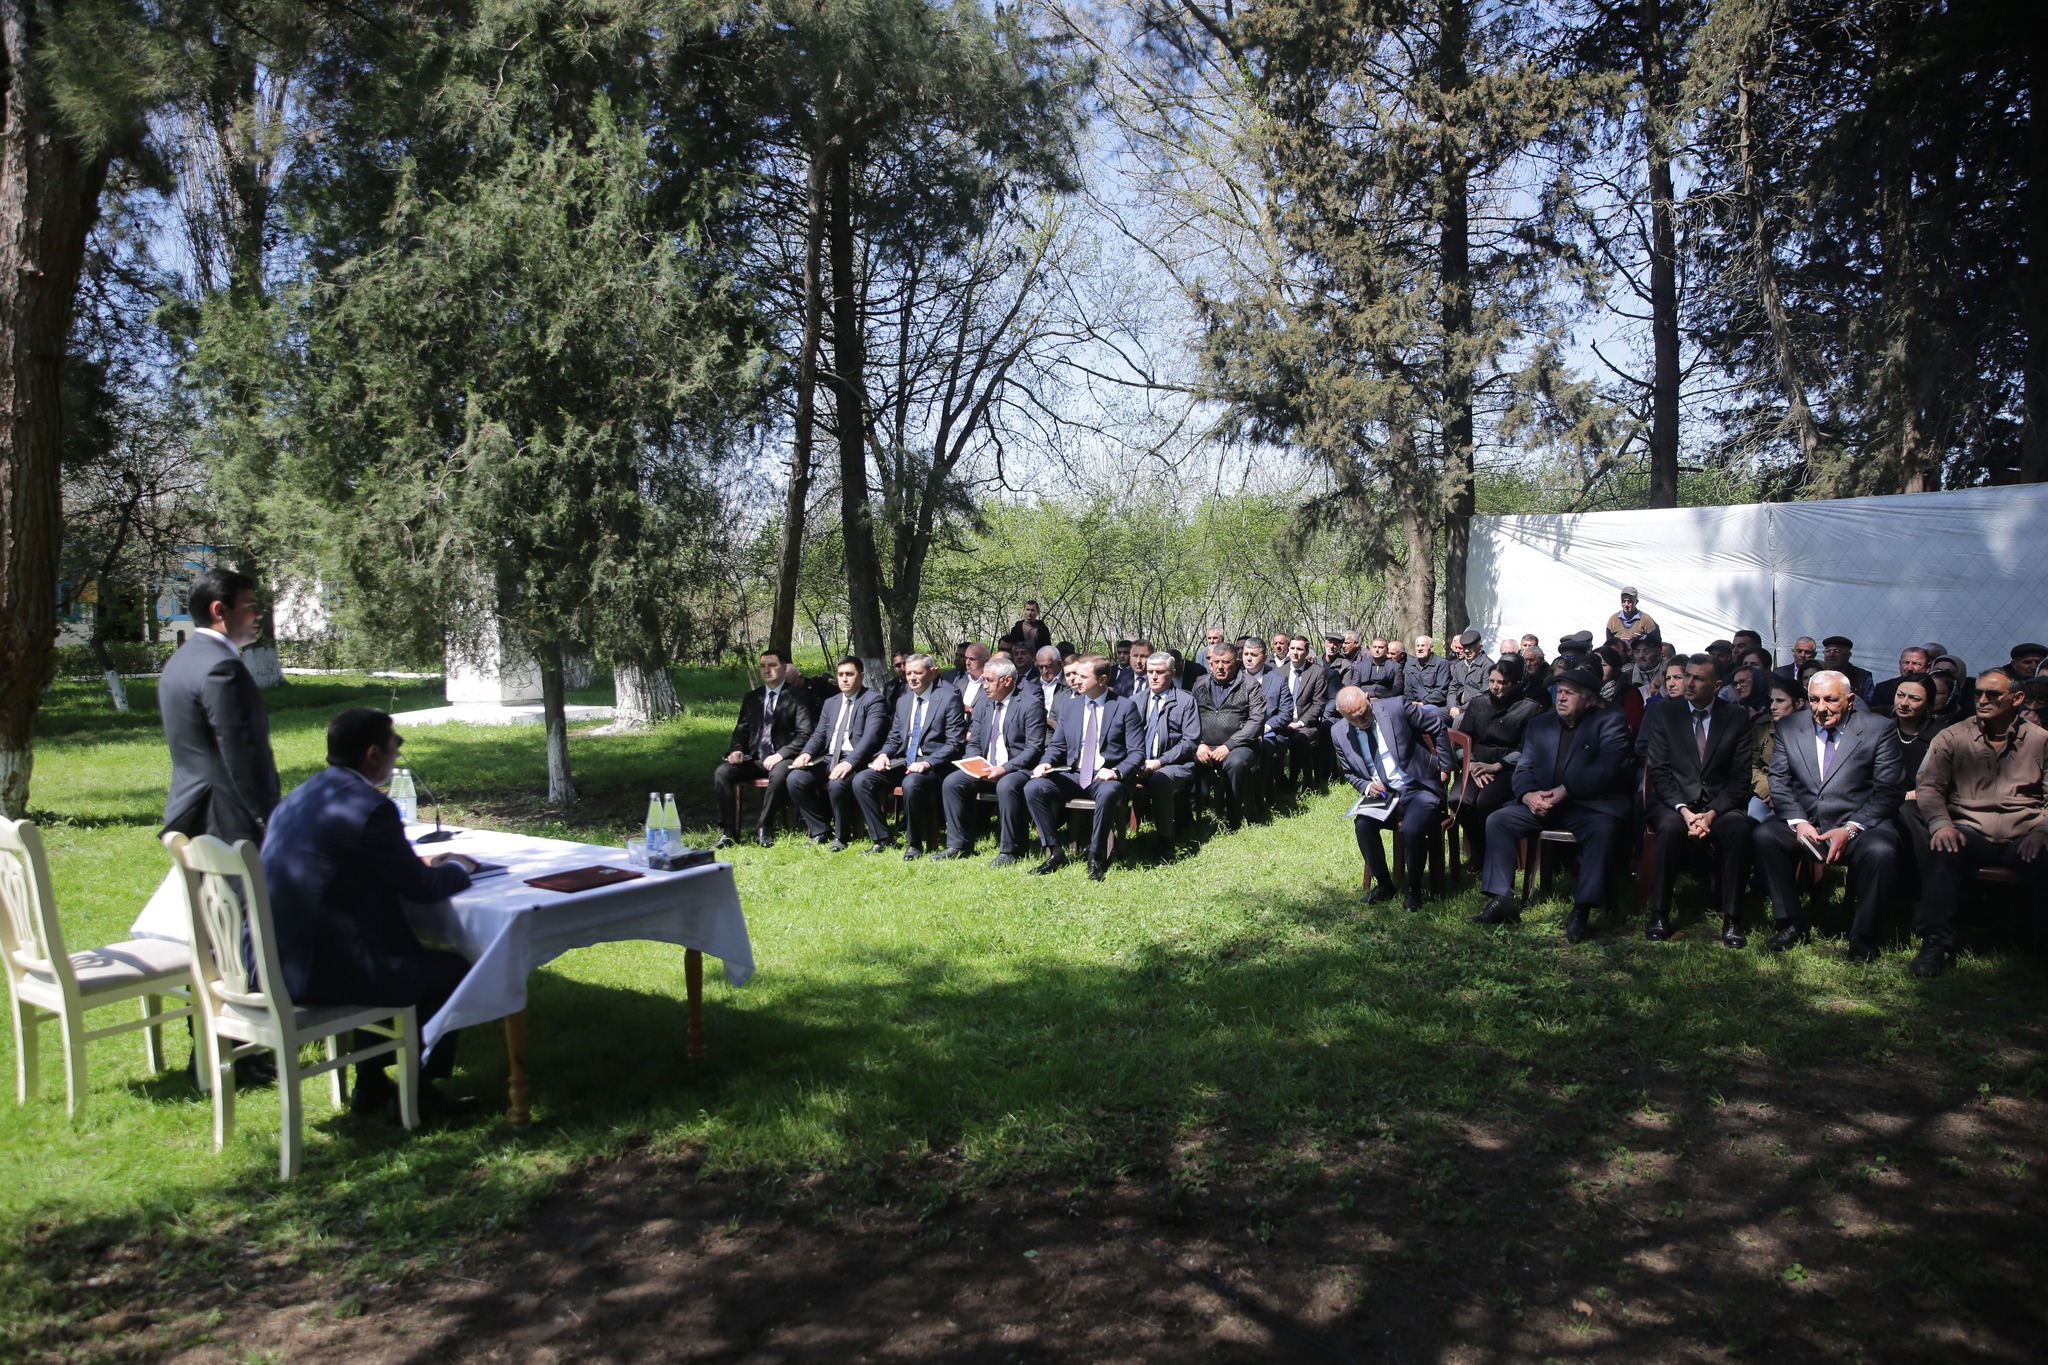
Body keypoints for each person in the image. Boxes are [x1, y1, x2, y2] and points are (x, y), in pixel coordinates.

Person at [261, 708, 478, 1120]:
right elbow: (422, 888)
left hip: (276, 959)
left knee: (390, 956)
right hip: (320, 970)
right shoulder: (370, 806)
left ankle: (372, 1084)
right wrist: (456, 868)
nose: (399, 751)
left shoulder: (302, 794)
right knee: (453, 971)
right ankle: (420, 1091)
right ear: (373, 753)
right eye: (397, 743)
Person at [1470, 669, 1634, 944]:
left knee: (1602, 829)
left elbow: (1608, 770)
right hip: (1542, 803)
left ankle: (1582, 909)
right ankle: (1502, 900)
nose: (1561, 697)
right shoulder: (1541, 724)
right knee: (1499, 819)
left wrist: (1564, 790)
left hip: (1588, 805)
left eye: (1569, 693)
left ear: (1589, 699)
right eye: (1559, 691)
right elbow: (1524, 767)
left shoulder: (1610, 722)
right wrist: (1528, 796)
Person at [1752, 671, 1903, 960]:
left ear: (1850, 700)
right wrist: (1799, 822)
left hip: (1860, 824)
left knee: (1881, 851)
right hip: (1808, 822)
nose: (1821, 708)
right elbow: (1779, 781)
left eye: (1830, 700)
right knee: (1765, 835)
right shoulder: (1790, 726)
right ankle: (1790, 922)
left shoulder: (1878, 728)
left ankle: (1863, 935)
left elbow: (1889, 790)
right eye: (1814, 700)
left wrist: (1850, 828)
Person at [1910, 669, 2048, 977]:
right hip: (1969, 829)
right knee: (1943, 851)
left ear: (2018, 698)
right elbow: (1929, 786)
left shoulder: (2040, 741)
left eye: (1993, 694)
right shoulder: (1953, 737)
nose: (1983, 700)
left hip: (2024, 833)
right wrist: (1941, 824)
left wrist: (2043, 831)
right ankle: (1935, 943)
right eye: (1978, 693)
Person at [1639, 655, 1756, 947]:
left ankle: (1733, 918)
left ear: (1716, 685)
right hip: (1674, 803)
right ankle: (1660, 913)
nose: (1688, 683)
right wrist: (1684, 811)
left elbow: (1740, 776)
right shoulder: (1665, 713)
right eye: (1687, 675)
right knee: (1668, 829)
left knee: (1739, 830)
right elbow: (1659, 771)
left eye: (1698, 678)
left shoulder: (1736, 717)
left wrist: (1712, 813)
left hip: (1719, 805)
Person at [159, 566, 280, 846]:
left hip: (189, 810)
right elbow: (243, 753)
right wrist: (269, 817)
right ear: (219, 610)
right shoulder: (223, 668)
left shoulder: (181, 659)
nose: (259, 615)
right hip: (229, 821)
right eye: (250, 606)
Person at [1024, 655, 1142, 880]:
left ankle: (1095, 855)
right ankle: (1054, 851)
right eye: (1075, 675)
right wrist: (1045, 763)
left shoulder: (1125, 707)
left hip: (1106, 776)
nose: (1076, 680)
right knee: (1033, 788)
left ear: (1102, 679)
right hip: (1074, 773)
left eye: (1083, 676)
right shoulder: (1070, 707)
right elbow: (1058, 745)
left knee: (1107, 793)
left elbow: (1137, 752)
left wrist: (1116, 772)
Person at [1332, 685, 1447, 912]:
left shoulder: (1396, 707)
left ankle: (1413, 889)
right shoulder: (1338, 732)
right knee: (1363, 824)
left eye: (1364, 713)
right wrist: (1367, 786)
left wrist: (1446, 764)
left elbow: (1437, 725)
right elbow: (1349, 772)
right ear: (1341, 713)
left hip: (1417, 786)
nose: (1361, 721)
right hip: (1384, 793)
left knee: (1412, 829)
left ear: (1368, 698)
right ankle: (1384, 884)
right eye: (1353, 719)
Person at [852, 654, 966, 858]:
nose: (912, 677)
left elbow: (955, 743)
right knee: (862, 780)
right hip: (905, 762)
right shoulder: (904, 701)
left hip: (935, 766)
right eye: (908, 673)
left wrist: (928, 762)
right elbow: (895, 738)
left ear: (932, 673)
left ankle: (914, 843)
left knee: (912, 782)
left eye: (918, 673)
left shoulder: (949, 699)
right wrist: (883, 755)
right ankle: (883, 838)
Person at [935, 657, 1046, 864]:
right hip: (986, 768)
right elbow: (974, 741)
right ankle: (957, 845)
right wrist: (973, 763)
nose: (984, 685)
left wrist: (1004, 768)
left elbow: (1034, 749)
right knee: (952, 782)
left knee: (1006, 785)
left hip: (1017, 769)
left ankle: (1011, 850)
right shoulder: (984, 704)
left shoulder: (1030, 705)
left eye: (989, 680)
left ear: (1007, 680)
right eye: (984, 680)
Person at [711, 650, 817, 849]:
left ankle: (764, 825)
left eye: (772, 665)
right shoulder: (753, 697)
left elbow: (805, 734)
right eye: (762, 666)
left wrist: (781, 754)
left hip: (785, 757)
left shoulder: (798, 696)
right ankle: (729, 833)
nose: (767, 670)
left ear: (784, 668)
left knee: (778, 775)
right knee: (723, 772)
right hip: (755, 758)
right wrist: (736, 750)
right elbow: (741, 730)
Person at [785, 658, 888, 851]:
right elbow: (820, 734)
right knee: (795, 779)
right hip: (829, 757)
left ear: (861, 676)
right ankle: (820, 830)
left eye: (849, 674)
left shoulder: (873, 700)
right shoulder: (831, 703)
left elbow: (871, 738)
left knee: (837, 784)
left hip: (855, 759)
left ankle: (841, 836)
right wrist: (806, 753)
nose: (844, 679)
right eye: (841, 675)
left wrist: (849, 763)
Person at [1449, 659, 1540, 871]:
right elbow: (1462, 740)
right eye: (1491, 681)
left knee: (1486, 801)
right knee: (1458, 800)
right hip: (1476, 764)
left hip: (1508, 768)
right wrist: (1471, 764)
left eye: (1501, 682)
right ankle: (1480, 848)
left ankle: (1493, 852)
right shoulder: (1478, 704)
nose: (1495, 687)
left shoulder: (1529, 708)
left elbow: (1527, 748)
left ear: (1515, 683)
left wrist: (1497, 766)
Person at [1131, 650, 1200, 863]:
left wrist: (1159, 763)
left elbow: (1190, 742)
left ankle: (1164, 842)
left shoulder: (1185, 701)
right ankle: (1108, 843)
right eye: (1150, 671)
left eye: (1160, 672)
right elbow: (1125, 737)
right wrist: (1135, 763)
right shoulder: (1135, 701)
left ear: (1172, 672)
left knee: (1159, 780)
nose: (1153, 676)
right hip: (1139, 763)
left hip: (1175, 764)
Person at [1190, 641, 1268, 830]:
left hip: (1240, 746)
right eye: (1216, 662)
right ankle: (1186, 818)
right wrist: (1198, 744)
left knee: (1235, 763)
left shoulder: (1250, 685)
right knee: (1181, 759)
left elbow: (1256, 721)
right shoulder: (1200, 684)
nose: (1220, 667)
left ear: (1236, 662)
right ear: (1210, 663)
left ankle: (1233, 819)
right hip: (1204, 746)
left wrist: (1229, 745)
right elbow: (1189, 718)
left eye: (1225, 662)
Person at [1748, 673, 1806, 822]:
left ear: (1799, 703)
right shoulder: (1761, 727)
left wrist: (1783, 795)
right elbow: (1753, 765)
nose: (1773, 707)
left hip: (1800, 793)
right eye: (1771, 701)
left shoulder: (1811, 730)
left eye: (1780, 701)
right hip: (1767, 791)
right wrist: (1769, 791)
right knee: (1755, 817)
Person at [1278, 635, 1331, 782]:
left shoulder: (1317, 672)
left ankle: (1293, 781)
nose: (1295, 652)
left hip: (1306, 723)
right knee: (1270, 742)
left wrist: (1300, 723)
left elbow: (1318, 704)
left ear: (1306, 652)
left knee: (1298, 740)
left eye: (1299, 649)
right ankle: (1278, 780)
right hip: (1283, 721)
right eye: (1292, 648)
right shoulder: (1279, 672)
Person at [1593, 644, 1645, 735]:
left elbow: (1634, 726)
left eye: (1603, 665)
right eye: (1594, 664)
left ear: (1616, 670)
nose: (1597, 668)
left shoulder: (1628, 693)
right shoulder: (1582, 690)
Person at [1869, 646, 1932, 717]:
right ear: (1899, 664)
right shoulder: (1883, 688)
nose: (1910, 668)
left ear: (1928, 667)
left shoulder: (1934, 688)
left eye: (1916, 663)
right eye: (1906, 663)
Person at [1448, 629, 1490, 721]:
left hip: (1475, 709)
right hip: (1457, 707)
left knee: (1458, 719)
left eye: (1470, 647)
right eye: (1464, 647)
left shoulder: (1487, 666)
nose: (1466, 651)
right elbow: (1453, 688)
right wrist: (1452, 706)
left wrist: (1461, 709)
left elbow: (1484, 693)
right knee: (1434, 715)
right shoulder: (1460, 665)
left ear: (1480, 647)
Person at [1403, 635, 1451, 712]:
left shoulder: (1441, 663)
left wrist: (1423, 703)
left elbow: (1441, 691)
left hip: (1434, 704)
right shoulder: (1409, 664)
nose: (1419, 649)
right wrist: (1411, 702)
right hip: (1414, 704)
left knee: (1420, 712)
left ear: (1431, 648)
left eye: (1423, 645)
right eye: (1417, 646)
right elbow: (1407, 689)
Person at [1820, 636, 1875, 701]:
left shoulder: (1862, 677)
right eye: (1827, 651)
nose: (1831, 655)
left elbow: (1869, 704)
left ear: (1848, 655)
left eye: (1837, 651)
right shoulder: (1818, 674)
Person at [942, 642, 991, 712]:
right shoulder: (960, 681)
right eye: (966, 658)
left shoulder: (992, 684)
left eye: (972, 659)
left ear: (986, 661)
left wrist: (971, 711)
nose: (967, 663)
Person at [1031, 645, 1070, 726]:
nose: (1044, 671)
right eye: (1040, 667)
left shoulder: (1070, 684)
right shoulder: (1031, 685)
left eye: (1048, 666)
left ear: (1060, 664)